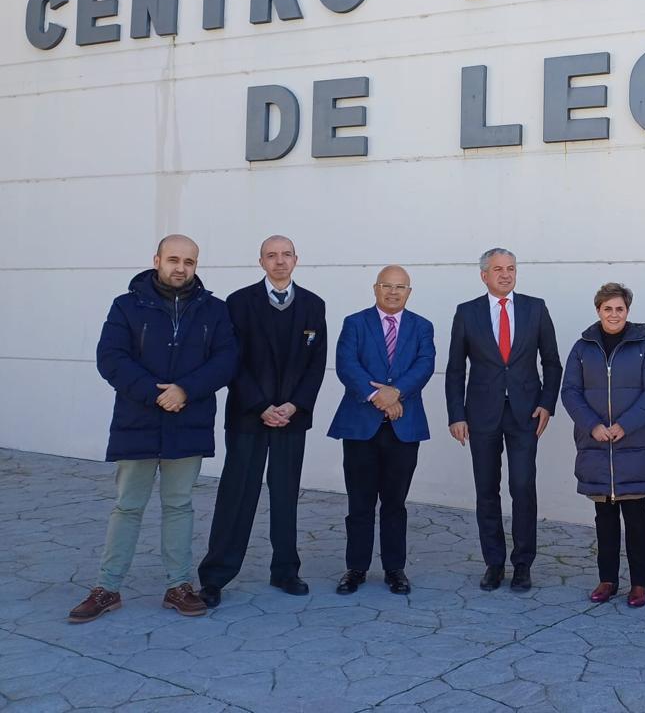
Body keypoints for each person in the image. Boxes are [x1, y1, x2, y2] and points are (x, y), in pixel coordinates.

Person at [70, 235, 238, 623]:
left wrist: (185, 390)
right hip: (138, 421)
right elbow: (110, 358)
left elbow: (226, 359)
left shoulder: (215, 310)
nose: (181, 268)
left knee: (179, 506)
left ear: (197, 266)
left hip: (189, 421)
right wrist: (154, 393)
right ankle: (107, 588)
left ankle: (178, 586)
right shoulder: (127, 306)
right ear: (157, 260)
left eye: (189, 262)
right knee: (127, 507)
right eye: (174, 259)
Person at [197, 235, 327, 607]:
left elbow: (316, 362)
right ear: (261, 262)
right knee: (237, 495)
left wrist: (295, 406)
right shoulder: (238, 303)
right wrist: (260, 405)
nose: (280, 261)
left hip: (291, 419)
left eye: (286, 255)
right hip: (248, 417)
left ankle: (285, 570)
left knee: (286, 495)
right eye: (272, 256)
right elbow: (231, 360)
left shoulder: (314, 305)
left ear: (296, 260)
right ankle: (216, 575)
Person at [446, 248, 563, 592]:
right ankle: (494, 563)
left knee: (523, 486)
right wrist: (456, 414)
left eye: (511, 268)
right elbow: (455, 369)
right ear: (484, 275)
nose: (506, 274)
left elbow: (552, 362)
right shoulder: (467, 313)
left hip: (526, 413)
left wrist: (547, 404)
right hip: (481, 413)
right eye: (498, 269)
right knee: (486, 489)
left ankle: (523, 564)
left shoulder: (535, 308)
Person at [327, 265, 435, 595]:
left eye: (399, 287)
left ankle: (394, 569)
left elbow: (425, 364)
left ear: (409, 292)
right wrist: (378, 397)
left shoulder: (422, 326)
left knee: (395, 503)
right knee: (359, 502)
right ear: (375, 288)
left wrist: (396, 393)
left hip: (404, 427)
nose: (392, 292)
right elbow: (347, 365)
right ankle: (355, 568)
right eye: (386, 285)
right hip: (360, 428)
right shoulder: (355, 323)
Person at [561, 283, 645, 608]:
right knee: (604, 520)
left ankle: (639, 585)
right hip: (597, 449)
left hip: (635, 447)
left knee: (636, 519)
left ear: (627, 311)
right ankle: (607, 579)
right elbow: (570, 392)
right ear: (598, 311)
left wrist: (626, 425)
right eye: (608, 308)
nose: (614, 314)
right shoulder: (582, 348)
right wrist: (592, 426)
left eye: (619, 308)